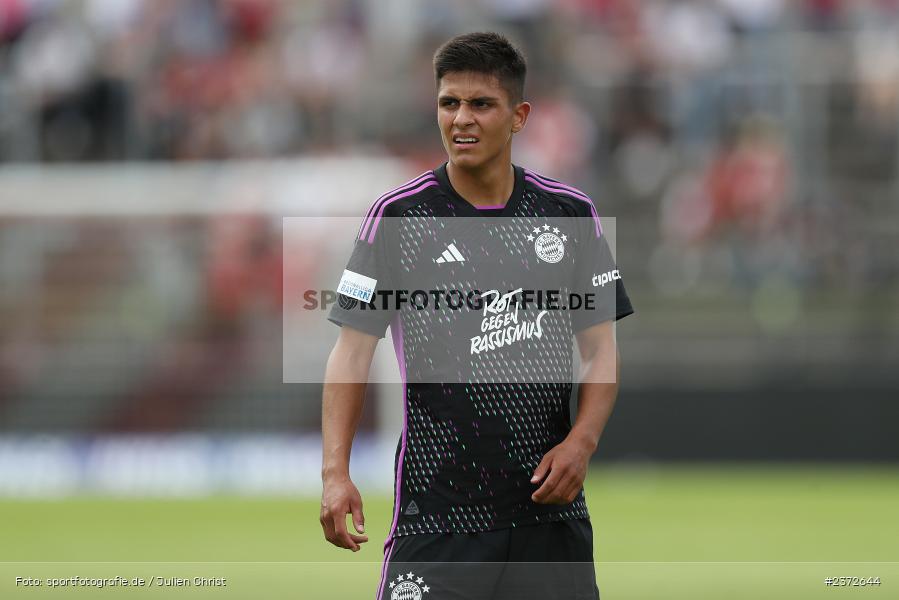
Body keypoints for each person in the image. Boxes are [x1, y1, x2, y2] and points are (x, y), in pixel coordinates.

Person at [320, 32, 633, 600]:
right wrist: (334, 473)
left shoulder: (569, 213)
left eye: (481, 104)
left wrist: (582, 442)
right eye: (449, 103)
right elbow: (352, 351)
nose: (461, 118)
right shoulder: (397, 217)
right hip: (437, 519)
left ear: (519, 116)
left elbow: (600, 350)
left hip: (548, 519)